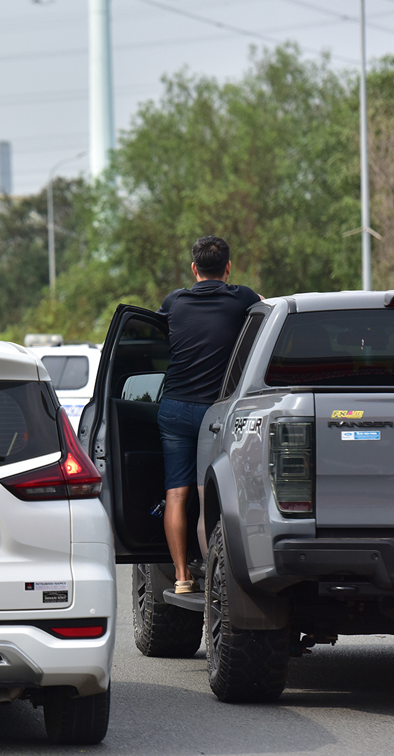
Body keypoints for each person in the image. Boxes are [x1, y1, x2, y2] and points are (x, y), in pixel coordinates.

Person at [156, 236, 261, 594]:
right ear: (228, 268)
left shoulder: (174, 301)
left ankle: (183, 576)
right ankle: (216, 584)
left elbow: (154, 340)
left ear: (193, 268)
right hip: (215, 413)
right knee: (206, 496)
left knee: (176, 494)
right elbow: (268, 310)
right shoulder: (242, 298)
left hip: (173, 408)